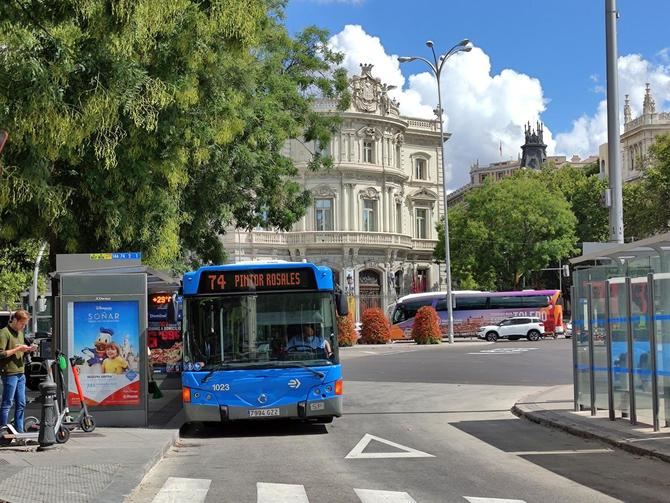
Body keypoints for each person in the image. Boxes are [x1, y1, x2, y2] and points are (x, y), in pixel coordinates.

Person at [0, 310, 37, 432]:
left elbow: (19, 350)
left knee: (21, 403)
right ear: (14, 320)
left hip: (21, 372)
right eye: (22, 323)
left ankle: (19, 431)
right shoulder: (4, 333)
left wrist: (28, 350)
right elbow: (1, 354)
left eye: (25, 324)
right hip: (9, 373)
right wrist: (18, 349)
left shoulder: (20, 333)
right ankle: (2, 430)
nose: (23, 326)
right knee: (7, 403)